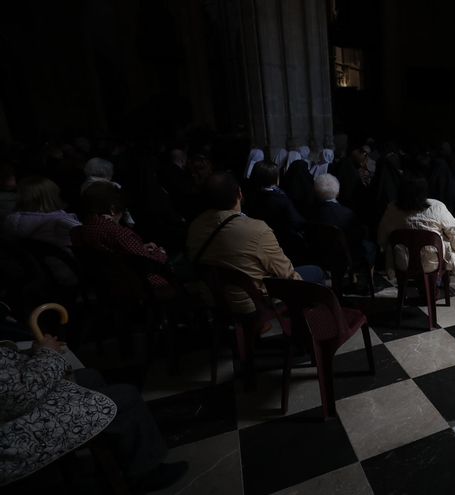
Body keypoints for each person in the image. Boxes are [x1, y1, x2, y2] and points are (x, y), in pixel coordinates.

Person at [0, 335, 187, 491]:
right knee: (126, 396)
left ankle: (118, 454)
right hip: (15, 430)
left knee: (89, 376)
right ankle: (145, 473)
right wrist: (46, 354)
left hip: (17, 406)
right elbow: (20, 395)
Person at [186, 172, 323, 314]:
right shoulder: (256, 229)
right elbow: (286, 274)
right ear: (239, 193)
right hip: (251, 302)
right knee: (315, 272)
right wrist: (303, 290)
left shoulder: (195, 226)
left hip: (213, 299)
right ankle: (308, 324)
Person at [71, 182, 169, 288]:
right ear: (112, 209)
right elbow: (149, 264)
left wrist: (139, 247)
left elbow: (115, 253)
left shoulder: (77, 232)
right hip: (141, 286)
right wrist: (159, 252)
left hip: (108, 287)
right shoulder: (117, 232)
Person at [378, 177, 455, 281]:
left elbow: (381, 237)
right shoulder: (437, 207)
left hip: (402, 263)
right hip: (433, 263)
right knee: (446, 237)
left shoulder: (392, 208)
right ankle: (435, 285)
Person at [245, 161, 307, 261]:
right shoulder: (281, 199)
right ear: (274, 178)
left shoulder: (249, 195)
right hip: (279, 243)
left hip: (254, 240)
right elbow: (297, 222)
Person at [313, 174, 376, 265]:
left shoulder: (312, 212)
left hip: (319, 256)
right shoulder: (347, 214)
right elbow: (358, 236)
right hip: (345, 257)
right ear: (338, 192)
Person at [3, 176, 80, 249]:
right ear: (54, 195)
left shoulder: (12, 219)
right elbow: (82, 233)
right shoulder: (61, 220)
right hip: (61, 261)